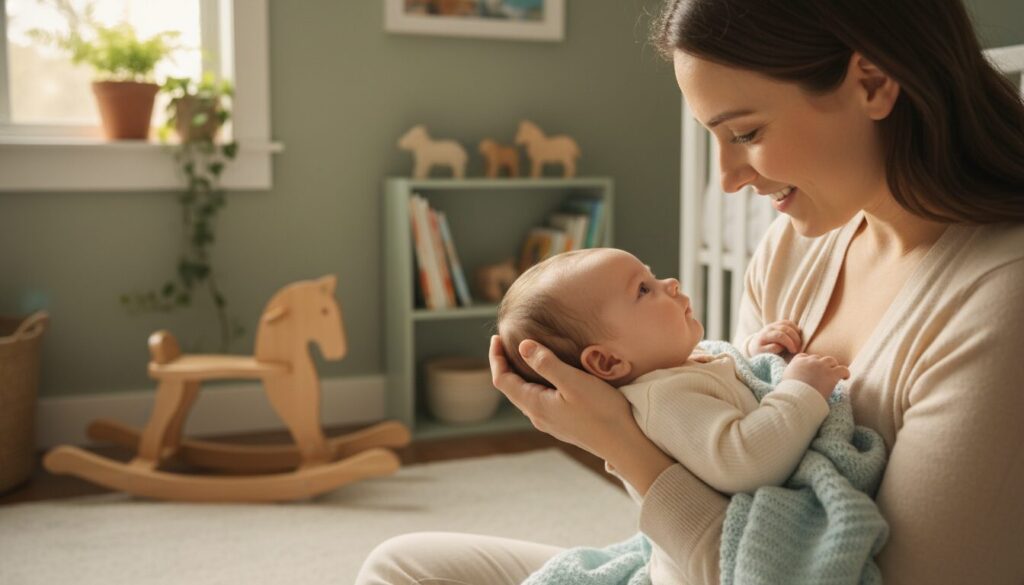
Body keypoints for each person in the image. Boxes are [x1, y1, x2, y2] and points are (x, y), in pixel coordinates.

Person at [356, 0, 1024, 583]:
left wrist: (622, 444)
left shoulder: (998, 303)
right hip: (694, 561)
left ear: (872, 81)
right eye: (716, 138)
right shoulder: (791, 250)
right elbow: (728, 495)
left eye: (746, 133)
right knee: (406, 565)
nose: (729, 179)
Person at [497, 247, 853, 584]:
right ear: (608, 362)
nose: (671, 284)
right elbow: (745, 460)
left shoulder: (678, 368)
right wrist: (800, 390)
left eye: (651, 276)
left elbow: (723, 382)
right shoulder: (663, 399)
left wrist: (753, 356)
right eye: (642, 289)